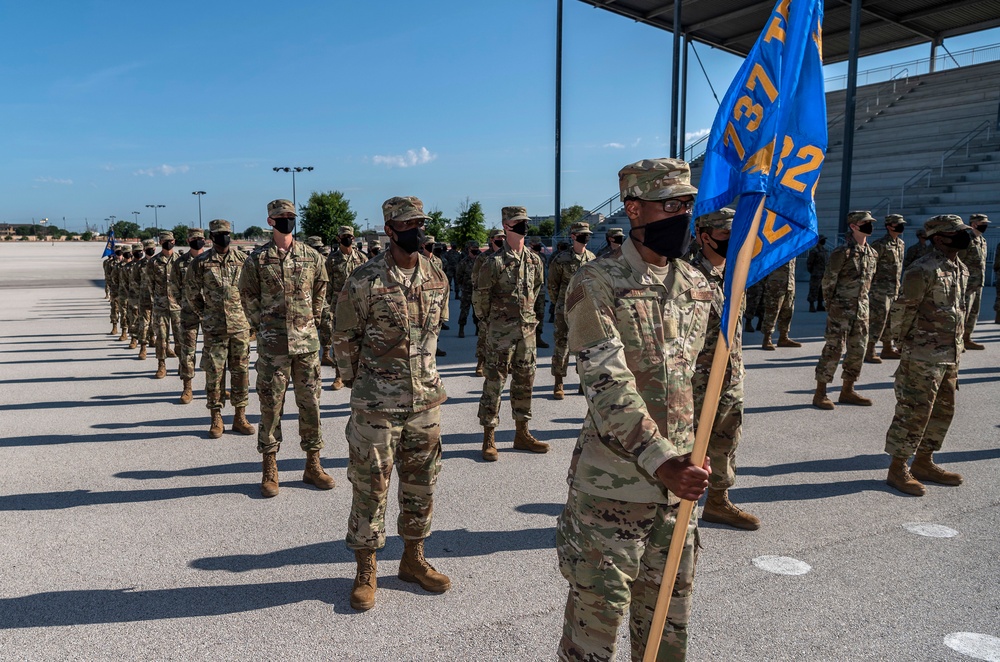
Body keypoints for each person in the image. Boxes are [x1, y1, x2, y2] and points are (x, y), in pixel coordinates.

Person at [556, 158, 712, 661]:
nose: (683, 216)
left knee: (668, 627)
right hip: (613, 490)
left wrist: (700, 456)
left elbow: (700, 381)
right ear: (633, 209)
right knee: (593, 632)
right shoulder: (596, 282)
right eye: (671, 205)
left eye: (688, 205)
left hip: (680, 490)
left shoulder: (695, 285)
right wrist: (662, 460)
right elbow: (607, 384)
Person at [335, 195, 451, 611]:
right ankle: (366, 568)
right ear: (389, 229)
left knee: (422, 485)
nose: (417, 230)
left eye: (420, 222)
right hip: (377, 406)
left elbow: (437, 328)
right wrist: (361, 385)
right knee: (370, 487)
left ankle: (413, 559)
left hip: (425, 401)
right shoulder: (364, 279)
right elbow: (343, 338)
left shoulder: (437, 273)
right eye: (408, 224)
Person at [239, 199, 334, 498]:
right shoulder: (257, 259)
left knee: (311, 405)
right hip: (273, 347)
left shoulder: (311, 256)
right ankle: (270, 467)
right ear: (270, 221)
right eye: (281, 217)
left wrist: (313, 318)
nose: (287, 220)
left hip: (306, 345)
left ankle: (312, 464)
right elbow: (247, 295)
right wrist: (263, 326)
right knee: (271, 406)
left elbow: (321, 287)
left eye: (291, 216)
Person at [884, 214, 970, 496]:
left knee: (944, 411)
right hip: (921, 355)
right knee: (913, 412)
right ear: (939, 237)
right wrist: (901, 344)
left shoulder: (961, 269)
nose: (963, 236)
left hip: (950, 353)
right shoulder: (922, 269)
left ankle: (924, 461)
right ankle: (898, 468)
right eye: (955, 232)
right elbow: (904, 309)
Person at [691, 208, 758, 530]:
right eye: (726, 236)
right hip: (693, 382)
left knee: (727, 440)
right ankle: (668, 514)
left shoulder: (736, 272)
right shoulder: (685, 276)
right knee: (682, 449)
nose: (734, 242)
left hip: (731, 375)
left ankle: (718, 501)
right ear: (705, 236)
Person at [474, 206, 547, 461]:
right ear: (506, 226)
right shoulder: (492, 262)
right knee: (494, 383)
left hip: (527, 331)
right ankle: (489, 436)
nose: (524, 225)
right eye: (518, 222)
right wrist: (490, 324)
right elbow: (480, 298)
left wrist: (528, 319)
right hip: (500, 332)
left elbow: (536, 291)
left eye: (525, 221)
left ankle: (521, 433)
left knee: (525, 381)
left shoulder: (534, 260)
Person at [185, 220, 256, 440]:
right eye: (219, 234)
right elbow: (191, 292)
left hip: (240, 327)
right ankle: (216, 418)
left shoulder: (244, 260)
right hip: (214, 328)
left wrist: (251, 319)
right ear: (211, 236)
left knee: (241, 372)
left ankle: (240, 416)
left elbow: (253, 291)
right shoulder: (201, 263)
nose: (223, 237)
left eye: (226, 233)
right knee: (214, 374)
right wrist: (205, 314)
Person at [812, 211, 878, 409]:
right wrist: (832, 304)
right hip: (841, 309)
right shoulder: (842, 253)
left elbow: (869, 283)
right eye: (864, 223)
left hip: (862, 310)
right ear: (853, 226)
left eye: (870, 223)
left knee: (857, 350)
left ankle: (847, 390)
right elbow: (828, 281)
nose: (869, 226)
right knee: (834, 349)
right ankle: (820, 393)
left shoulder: (872, 253)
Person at [548, 222, 595, 399]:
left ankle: (583, 381)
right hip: (565, 309)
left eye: (588, 234)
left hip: (586, 309)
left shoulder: (592, 258)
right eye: (582, 234)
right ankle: (558, 382)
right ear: (573, 236)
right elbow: (552, 285)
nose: (586, 237)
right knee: (562, 345)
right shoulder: (561, 259)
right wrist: (560, 304)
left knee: (585, 346)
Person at [324, 226, 367, 389]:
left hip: (358, 304)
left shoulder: (361, 258)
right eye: (344, 236)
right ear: (338, 238)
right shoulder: (332, 259)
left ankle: (361, 374)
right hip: (339, 304)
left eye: (349, 236)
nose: (347, 238)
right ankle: (339, 376)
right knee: (340, 339)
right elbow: (327, 283)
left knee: (361, 338)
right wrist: (329, 304)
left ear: (353, 238)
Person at [865, 214, 906, 363]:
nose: (901, 226)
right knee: (877, 320)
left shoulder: (901, 244)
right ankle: (869, 350)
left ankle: (887, 348)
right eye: (898, 224)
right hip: (879, 289)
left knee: (891, 320)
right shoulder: (879, 245)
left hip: (894, 288)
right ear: (889, 226)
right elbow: (870, 267)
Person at [146, 231, 183, 380]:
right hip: (160, 306)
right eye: (165, 241)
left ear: (174, 241)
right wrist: (157, 300)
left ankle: (182, 363)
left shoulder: (180, 261)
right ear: (160, 243)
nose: (168, 243)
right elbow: (150, 284)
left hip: (177, 307)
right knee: (161, 337)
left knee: (180, 337)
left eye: (170, 240)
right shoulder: (153, 262)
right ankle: (161, 365)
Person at [176, 229, 205, 404]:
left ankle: (216, 387)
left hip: (211, 313)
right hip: (188, 313)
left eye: (200, 238)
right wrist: (184, 303)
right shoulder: (180, 263)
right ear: (188, 240)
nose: (198, 241)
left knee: (214, 353)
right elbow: (173, 287)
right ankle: (187, 387)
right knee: (188, 351)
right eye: (194, 239)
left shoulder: (210, 260)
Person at [472, 229, 506, 375]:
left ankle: (503, 363)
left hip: (504, 301)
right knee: (484, 333)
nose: (501, 239)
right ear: (491, 239)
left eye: (503, 237)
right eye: (498, 237)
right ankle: (481, 362)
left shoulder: (508, 255)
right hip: (488, 300)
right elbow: (475, 278)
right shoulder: (483, 257)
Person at [958, 213, 989, 349]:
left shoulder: (982, 240)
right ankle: (958, 341)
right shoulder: (966, 240)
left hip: (978, 282)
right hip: (967, 283)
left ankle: (967, 338)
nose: (985, 226)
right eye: (983, 223)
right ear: (974, 224)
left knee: (974, 312)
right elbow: (959, 261)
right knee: (963, 312)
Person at [759, 257, 800, 350]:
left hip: (789, 284)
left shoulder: (793, 248)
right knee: (772, 312)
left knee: (788, 311)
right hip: (776, 283)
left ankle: (783, 337)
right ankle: (767, 338)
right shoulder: (778, 245)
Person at [527, 236, 550, 348]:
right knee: (528, 315)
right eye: (536, 243)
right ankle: (528, 338)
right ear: (531, 244)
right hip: (528, 291)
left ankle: (538, 337)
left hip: (541, 290)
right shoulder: (526, 256)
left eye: (539, 243)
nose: (539, 245)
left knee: (540, 314)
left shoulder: (543, 257)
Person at [805, 235, 828, 312]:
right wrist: (813, 271)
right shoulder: (814, 251)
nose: (824, 241)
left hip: (824, 274)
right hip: (816, 274)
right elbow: (809, 263)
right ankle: (811, 305)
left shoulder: (824, 250)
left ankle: (820, 305)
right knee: (814, 289)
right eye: (823, 239)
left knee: (822, 290)